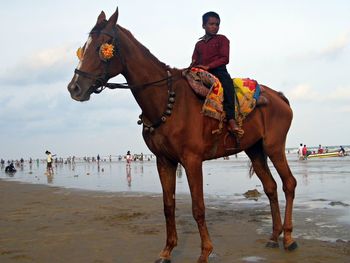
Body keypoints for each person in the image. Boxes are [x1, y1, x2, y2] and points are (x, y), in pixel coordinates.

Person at [191, 11, 242, 135]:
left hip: (219, 71)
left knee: (228, 86)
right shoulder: (199, 44)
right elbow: (194, 60)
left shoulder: (222, 39)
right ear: (203, 25)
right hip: (201, 71)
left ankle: (231, 119)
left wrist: (208, 66)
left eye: (217, 24)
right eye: (211, 24)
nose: (214, 27)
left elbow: (225, 59)